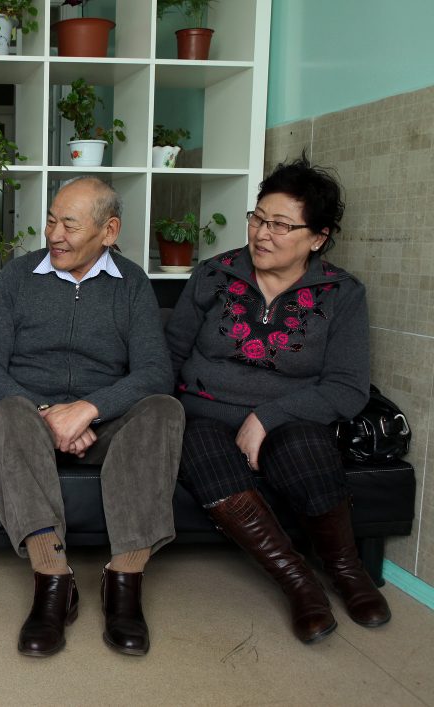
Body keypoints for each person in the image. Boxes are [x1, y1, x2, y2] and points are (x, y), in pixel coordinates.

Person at [166, 155, 390, 644]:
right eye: (258, 219)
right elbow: (169, 357)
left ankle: (347, 571)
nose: (262, 234)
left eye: (281, 225)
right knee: (197, 443)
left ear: (318, 237)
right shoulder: (212, 275)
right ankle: (298, 581)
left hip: (290, 419)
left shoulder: (342, 294)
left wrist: (266, 417)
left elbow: (348, 387)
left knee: (305, 447)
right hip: (202, 411)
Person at [0, 176, 184, 658]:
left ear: (109, 231)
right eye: (50, 220)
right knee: (5, 412)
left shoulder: (131, 283)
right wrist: (49, 414)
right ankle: (54, 581)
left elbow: (155, 370)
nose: (54, 234)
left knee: (163, 410)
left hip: (103, 421)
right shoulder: (18, 276)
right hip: (27, 416)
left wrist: (90, 409)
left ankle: (125, 579)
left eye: (69, 224)